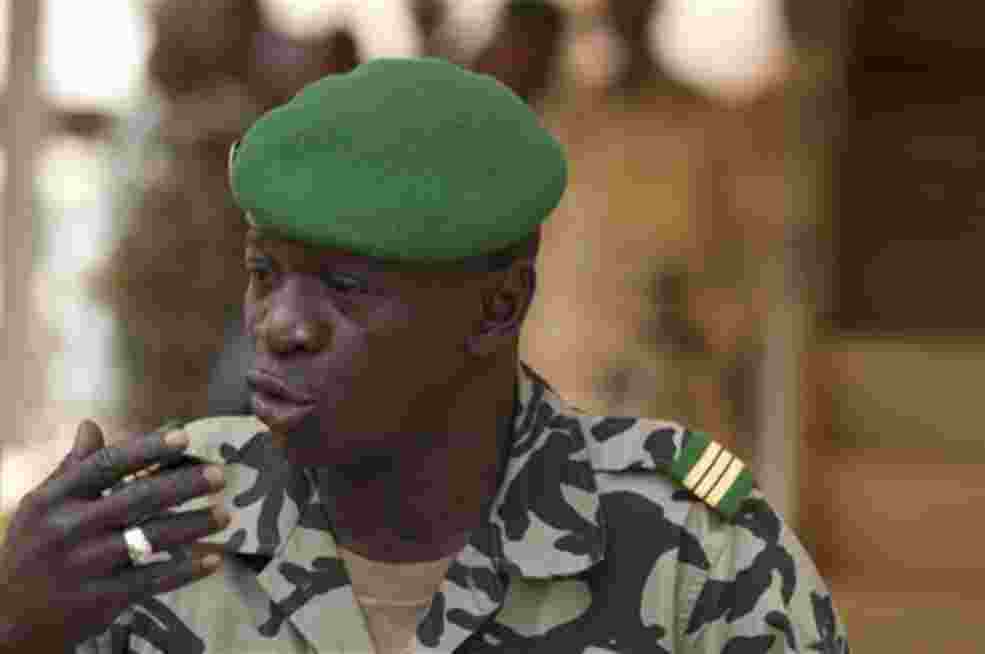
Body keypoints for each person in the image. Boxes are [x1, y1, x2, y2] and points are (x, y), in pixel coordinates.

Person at [0, 58, 849, 653]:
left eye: (347, 286)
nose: (282, 324)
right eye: (266, 272)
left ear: (499, 308)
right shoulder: (152, 536)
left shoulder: (691, 549)